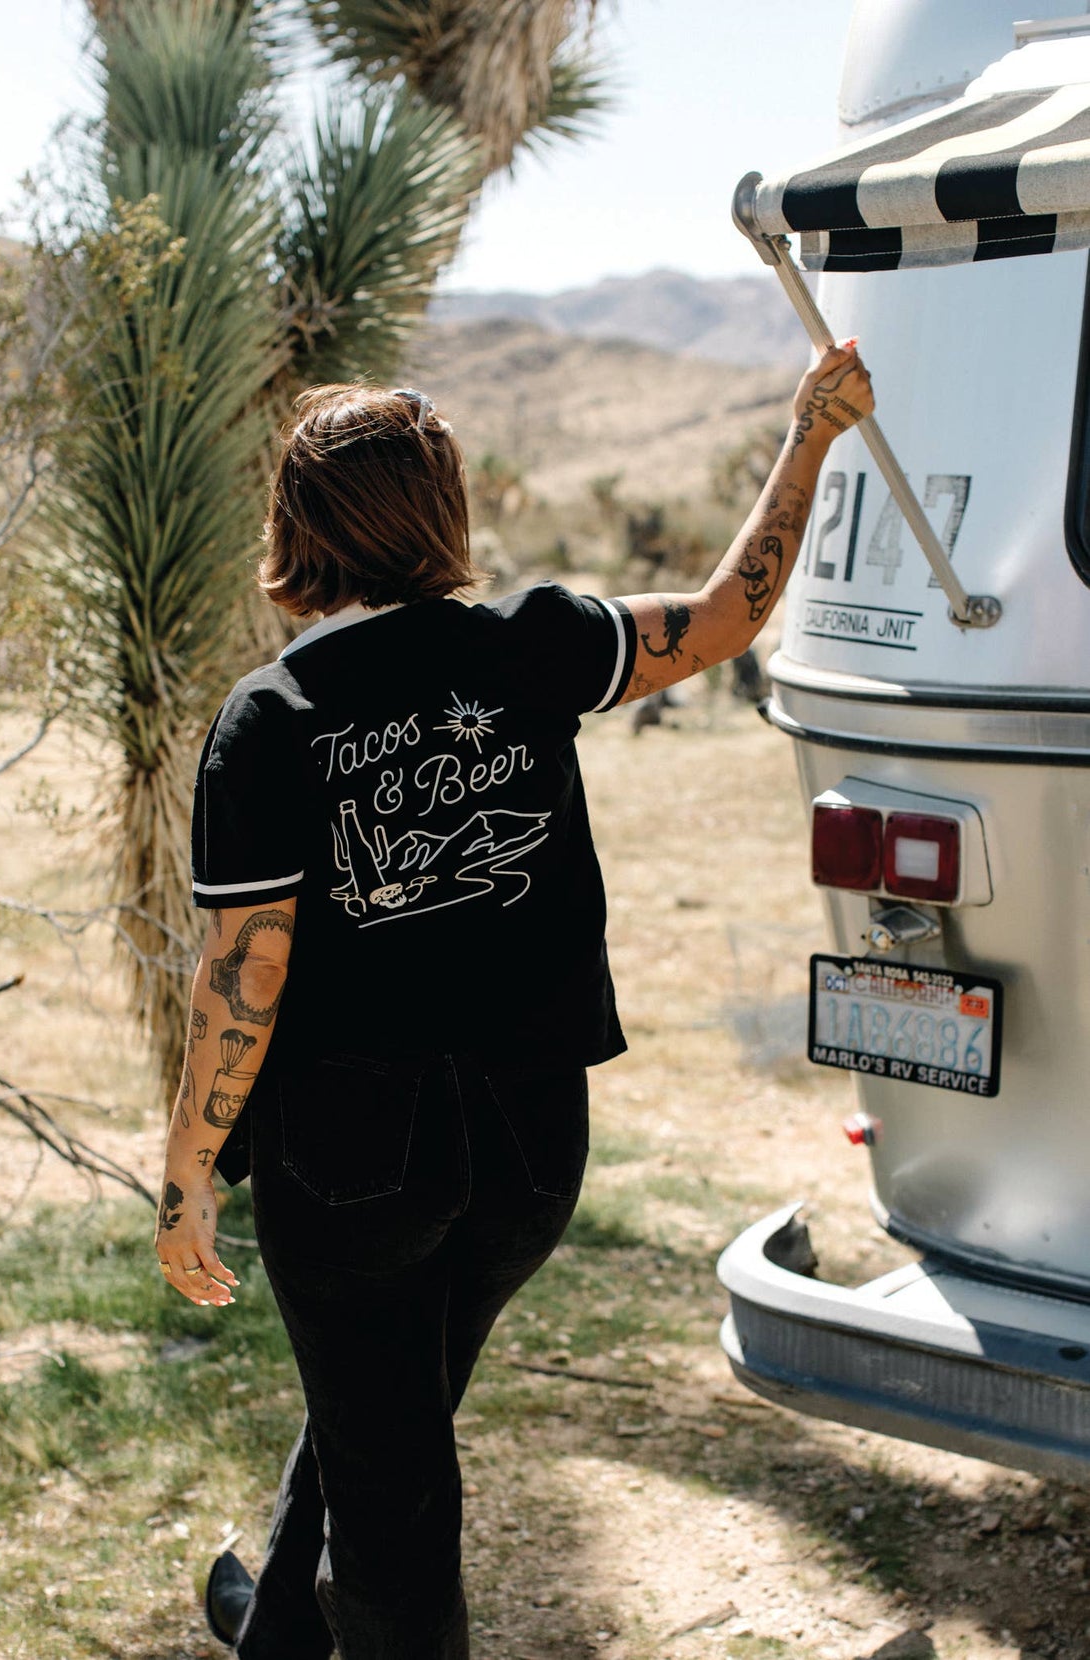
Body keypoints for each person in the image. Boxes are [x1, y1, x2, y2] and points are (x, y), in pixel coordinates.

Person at [153, 342, 874, 1659]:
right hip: (530, 1150)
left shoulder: (273, 718)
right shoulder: (534, 647)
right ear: (441, 513)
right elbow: (725, 615)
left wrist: (189, 1172)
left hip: (356, 1161)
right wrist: (809, 435)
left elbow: (241, 975)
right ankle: (279, 1632)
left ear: (296, 528)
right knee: (392, 1405)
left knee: (394, 1488)